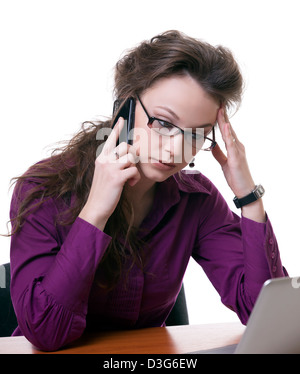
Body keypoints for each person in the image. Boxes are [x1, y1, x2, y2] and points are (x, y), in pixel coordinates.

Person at [9, 30, 287, 351]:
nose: (175, 152)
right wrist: (95, 213)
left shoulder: (196, 200)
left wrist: (249, 196)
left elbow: (264, 314)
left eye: (196, 135)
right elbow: (46, 332)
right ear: (125, 107)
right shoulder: (45, 188)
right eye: (164, 124)